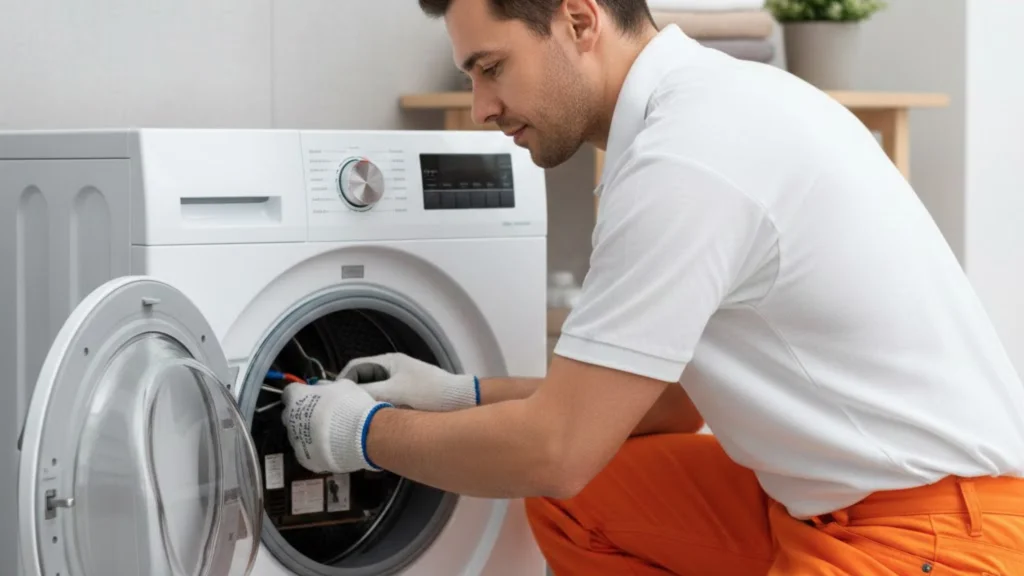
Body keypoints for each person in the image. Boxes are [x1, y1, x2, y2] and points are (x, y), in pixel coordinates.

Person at [280, 0, 1024, 573]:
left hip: (935, 536)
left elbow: (555, 450)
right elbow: (667, 404)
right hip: (824, 501)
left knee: (562, 475)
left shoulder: (684, 157)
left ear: (578, 20)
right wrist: (459, 394)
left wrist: (360, 434)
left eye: (491, 67)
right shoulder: (711, 109)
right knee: (587, 506)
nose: (481, 107)